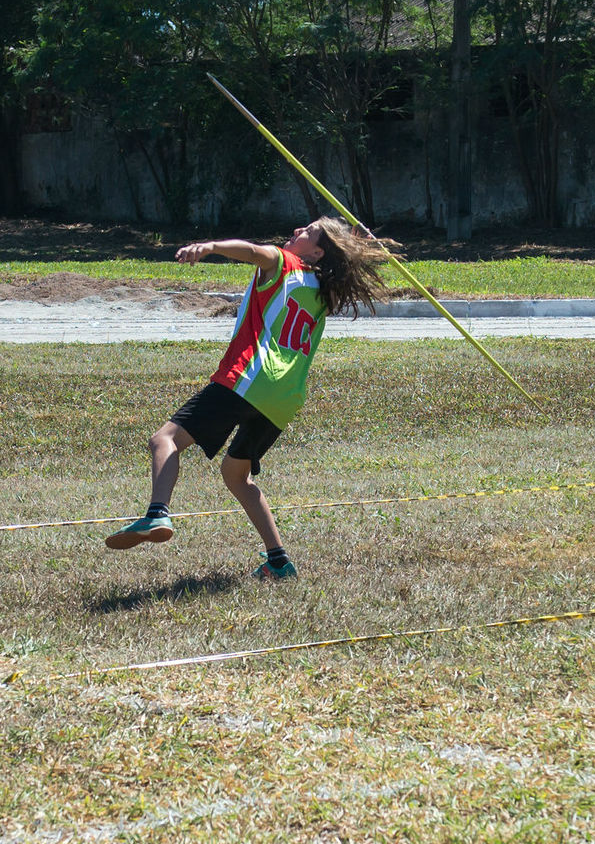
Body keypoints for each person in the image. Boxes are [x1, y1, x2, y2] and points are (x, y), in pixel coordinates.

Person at [105, 217, 396, 579]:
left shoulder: (284, 264)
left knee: (164, 440)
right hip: (284, 397)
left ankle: (157, 514)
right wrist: (359, 244)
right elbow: (323, 260)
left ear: (318, 251)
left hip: (249, 378)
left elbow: (253, 251)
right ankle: (278, 562)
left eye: (307, 232)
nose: (297, 231)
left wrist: (210, 247)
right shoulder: (324, 288)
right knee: (237, 474)